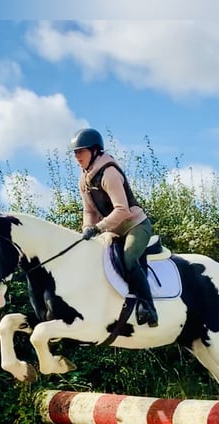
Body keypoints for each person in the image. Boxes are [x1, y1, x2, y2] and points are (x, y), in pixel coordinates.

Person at [69, 127, 159, 328]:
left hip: (135, 226)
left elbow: (122, 210)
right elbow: (90, 212)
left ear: (94, 151)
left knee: (128, 257)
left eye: (80, 151)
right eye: (75, 152)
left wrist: (98, 228)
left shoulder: (109, 173)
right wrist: (86, 229)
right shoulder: (83, 180)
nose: (77, 156)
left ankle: (148, 307)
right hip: (112, 231)